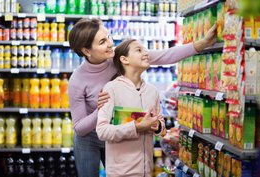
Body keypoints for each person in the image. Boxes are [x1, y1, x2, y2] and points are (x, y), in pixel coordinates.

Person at [68, 18, 217, 177]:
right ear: (86, 51)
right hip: (89, 139)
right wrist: (102, 109)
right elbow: (79, 127)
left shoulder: (118, 56)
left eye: (109, 36)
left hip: (119, 131)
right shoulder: (77, 80)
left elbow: (164, 56)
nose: (110, 43)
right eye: (103, 41)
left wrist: (202, 44)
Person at [96, 39, 167, 177]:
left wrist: (157, 126)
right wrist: (136, 127)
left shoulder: (152, 91)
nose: (146, 53)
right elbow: (102, 131)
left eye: (145, 50)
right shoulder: (112, 88)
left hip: (147, 171)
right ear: (124, 59)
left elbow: (162, 127)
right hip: (120, 173)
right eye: (139, 50)